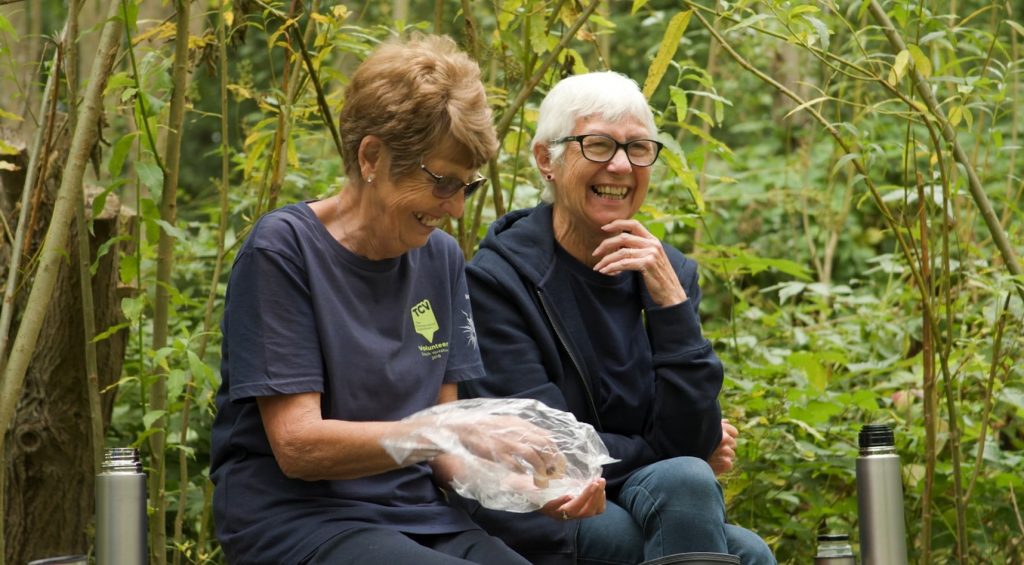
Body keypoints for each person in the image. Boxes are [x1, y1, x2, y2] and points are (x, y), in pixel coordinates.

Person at [209, 35, 605, 565]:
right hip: (297, 518)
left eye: (467, 186)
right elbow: (299, 446)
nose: (457, 209)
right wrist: (446, 431)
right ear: (372, 156)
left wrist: (534, 492)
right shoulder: (283, 250)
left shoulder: (439, 258)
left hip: (417, 514)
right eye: (443, 183)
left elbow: (447, 454)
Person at [460, 71, 775, 564]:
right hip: (544, 504)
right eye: (599, 145)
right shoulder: (498, 282)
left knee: (721, 518)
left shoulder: (666, 273)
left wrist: (671, 306)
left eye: (638, 148)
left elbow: (690, 440)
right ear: (547, 159)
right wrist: (673, 451)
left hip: (643, 488)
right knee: (738, 543)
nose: (622, 166)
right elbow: (547, 450)